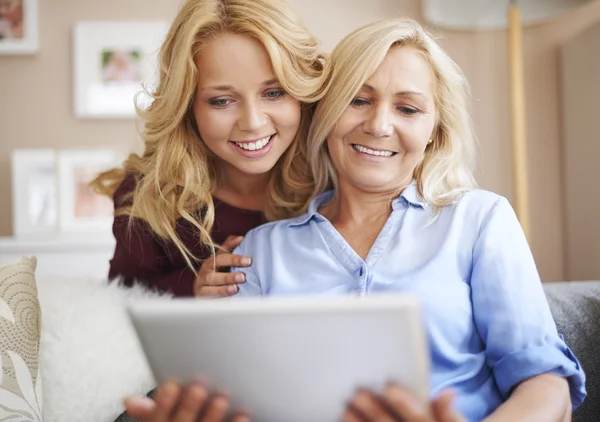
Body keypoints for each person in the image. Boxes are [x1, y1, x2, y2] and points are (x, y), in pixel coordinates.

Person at [125, 17, 587, 422]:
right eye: (358, 100)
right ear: (326, 112)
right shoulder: (257, 252)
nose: (379, 125)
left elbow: (547, 385)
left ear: (435, 132)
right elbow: (238, 399)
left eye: (407, 108)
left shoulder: (479, 220)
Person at [91, 0, 327, 300]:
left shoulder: (331, 181)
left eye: (274, 92)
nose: (253, 123)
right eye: (222, 101)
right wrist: (191, 289)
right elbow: (118, 301)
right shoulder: (147, 195)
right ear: (188, 106)